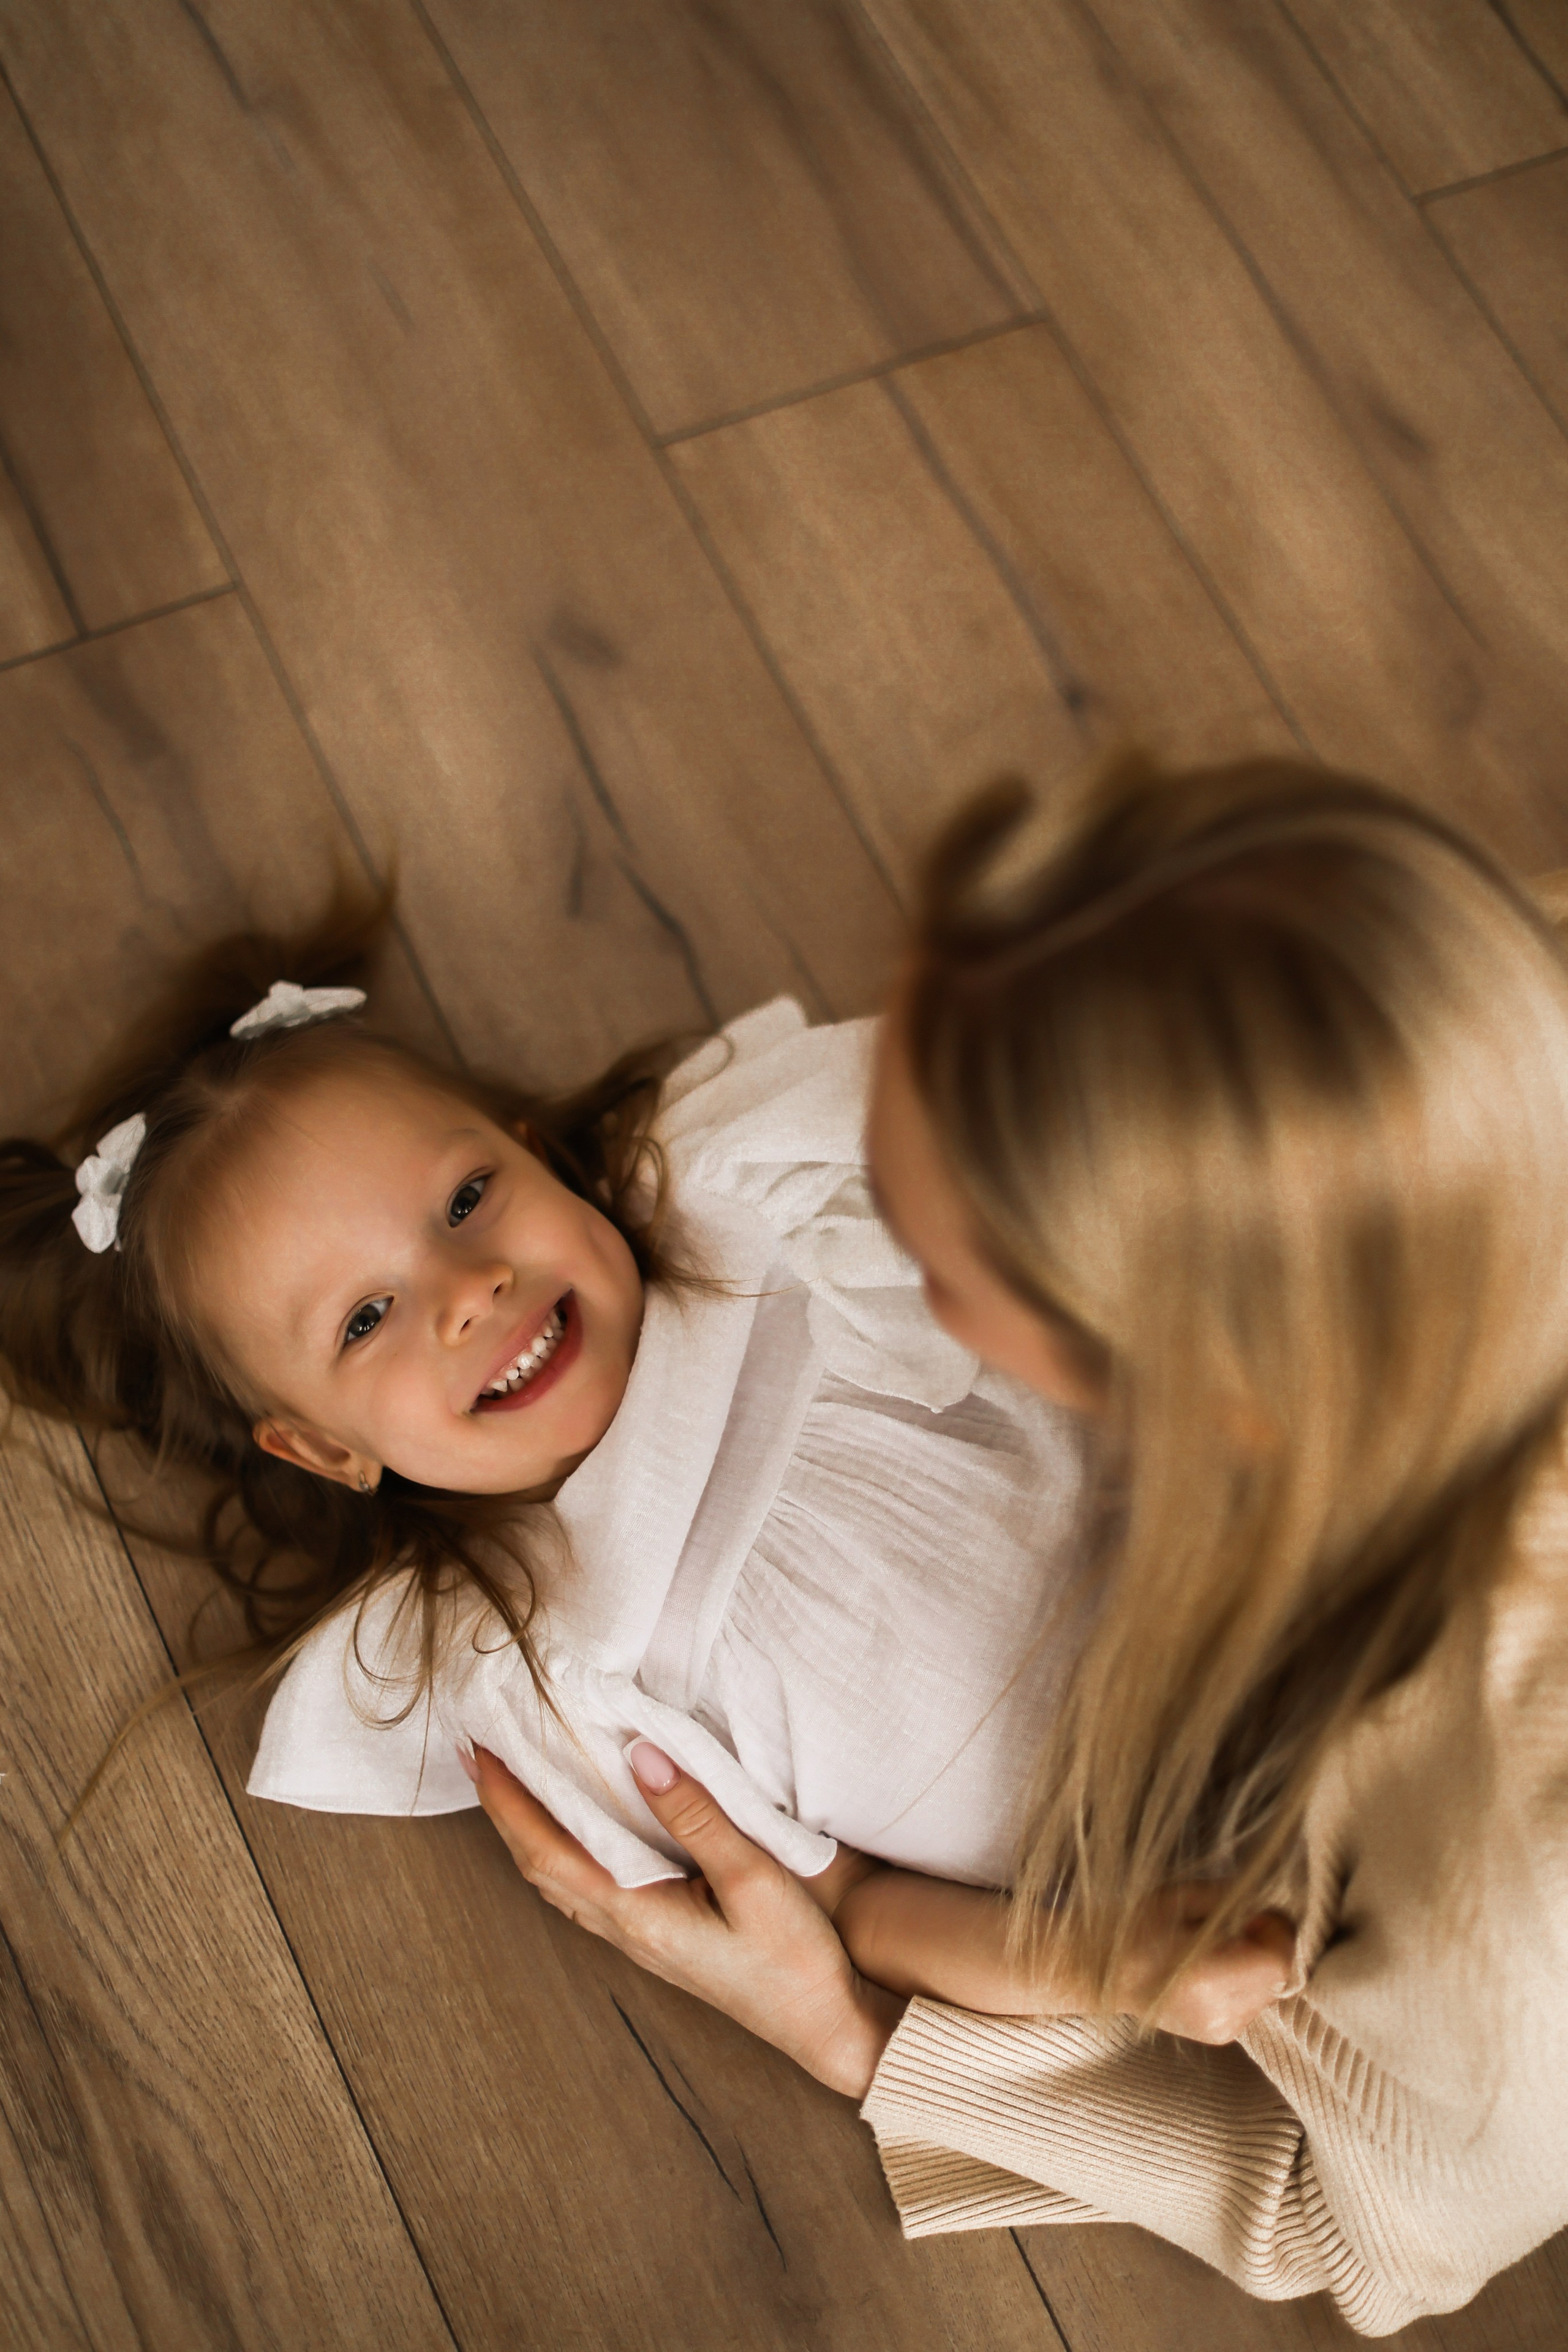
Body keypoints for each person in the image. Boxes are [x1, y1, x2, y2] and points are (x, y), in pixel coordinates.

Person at [465, 756, 1568, 2338]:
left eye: (911, 1252)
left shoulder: (1505, 1940)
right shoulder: (1482, 986)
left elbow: (1370, 2243)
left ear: (1204, 1395)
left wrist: (851, 2032)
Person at [0, 904, 1267, 2048]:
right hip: (1200, 1863)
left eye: (465, 1201)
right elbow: (853, 1905)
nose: (470, 1291)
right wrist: (1104, 1963)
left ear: (534, 1149)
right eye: (366, 1318)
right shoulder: (559, 1663)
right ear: (329, 1451)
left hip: (1298, 1556)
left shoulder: (750, 1207)